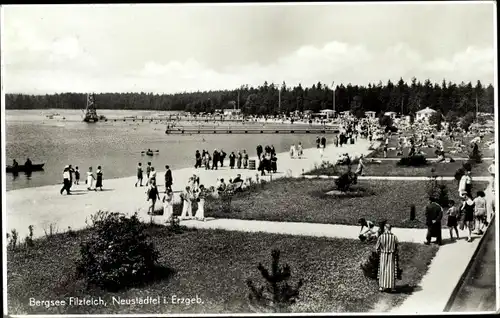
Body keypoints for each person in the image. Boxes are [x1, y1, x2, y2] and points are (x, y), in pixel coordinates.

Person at [375, 224, 400, 293]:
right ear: (390, 229)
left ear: (385, 228)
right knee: (391, 270)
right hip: (391, 255)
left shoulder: (381, 236)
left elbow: (377, 248)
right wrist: (395, 252)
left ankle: (381, 286)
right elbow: (397, 247)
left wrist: (380, 251)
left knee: (382, 270)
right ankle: (392, 287)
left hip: (383, 254)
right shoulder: (394, 237)